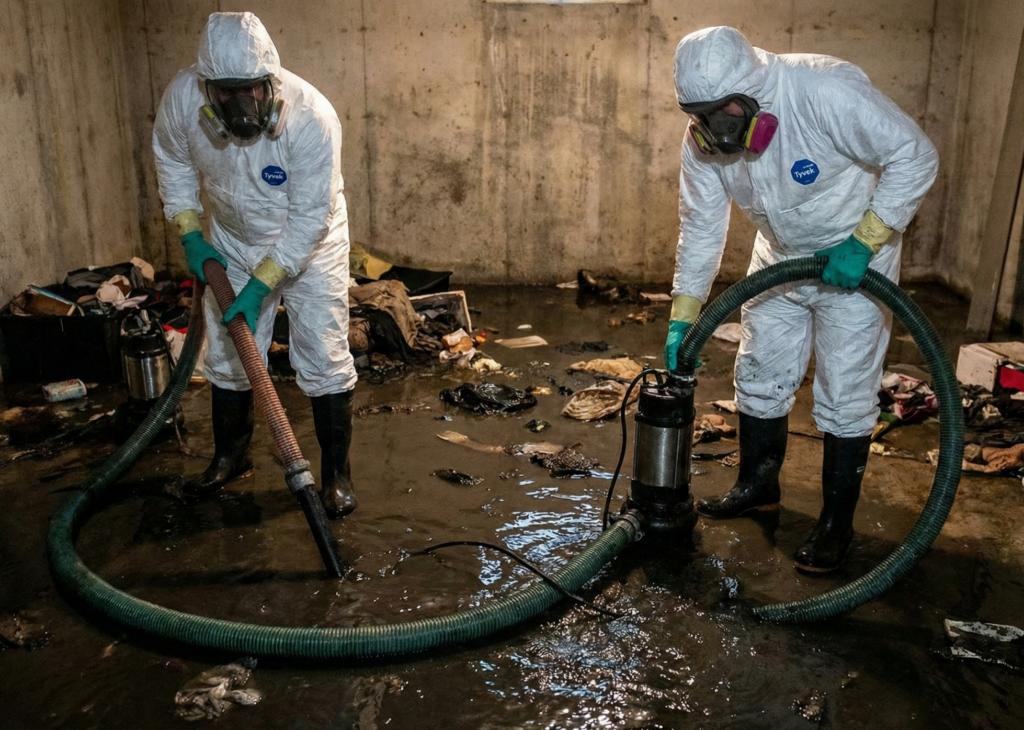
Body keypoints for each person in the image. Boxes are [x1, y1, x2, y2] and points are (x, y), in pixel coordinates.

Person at [664, 27, 938, 572]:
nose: (711, 133)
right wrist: (684, 314)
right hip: (778, 260)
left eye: (722, 116)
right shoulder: (707, 145)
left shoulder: (823, 92)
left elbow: (915, 155)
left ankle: (836, 525)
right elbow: (700, 226)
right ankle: (757, 486)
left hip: (854, 259)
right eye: (699, 117)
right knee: (760, 372)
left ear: (753, 96)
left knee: (844, 392)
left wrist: (865, 241)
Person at [153, 12, 358, 518]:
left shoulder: (312, 117)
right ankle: (231, 457)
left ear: (271, 81)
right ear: (207, 88)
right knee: (228, 353)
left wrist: (259, 287)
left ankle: (336, 475)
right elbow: (173, 163)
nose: (243, 104)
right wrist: (192, 234)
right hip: (232, 240)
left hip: (311, 246)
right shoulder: (182, 99)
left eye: (253, 89)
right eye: (228, 92)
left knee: (324, 355)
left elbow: (311, 217)